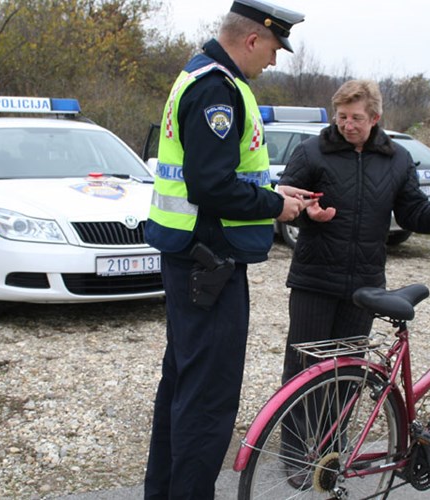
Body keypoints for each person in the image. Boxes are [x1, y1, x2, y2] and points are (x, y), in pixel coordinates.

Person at [276, 79, 430, 487]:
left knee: (347, 374)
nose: (348, 125)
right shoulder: (312, 152)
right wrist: (305, 215)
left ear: (375, 118)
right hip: (315, 280)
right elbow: (286, 203)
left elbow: (414, 213)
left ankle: (332, 452)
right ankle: (295, 454)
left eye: (356, 118)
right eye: (341, 117)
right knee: (304, 370)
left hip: (364, 286)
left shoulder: (397, 159)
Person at [142, 1, 312, 498]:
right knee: (207, 401)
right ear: (253, 39)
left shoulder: (202, 75)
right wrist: (275, 208)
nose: (276, 61)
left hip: (195, 259)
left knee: (182, 386)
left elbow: (224, 175)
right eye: (276, 49)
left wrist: (280, 194)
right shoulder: (218, 88)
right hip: (208, 266)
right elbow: (209, 185)